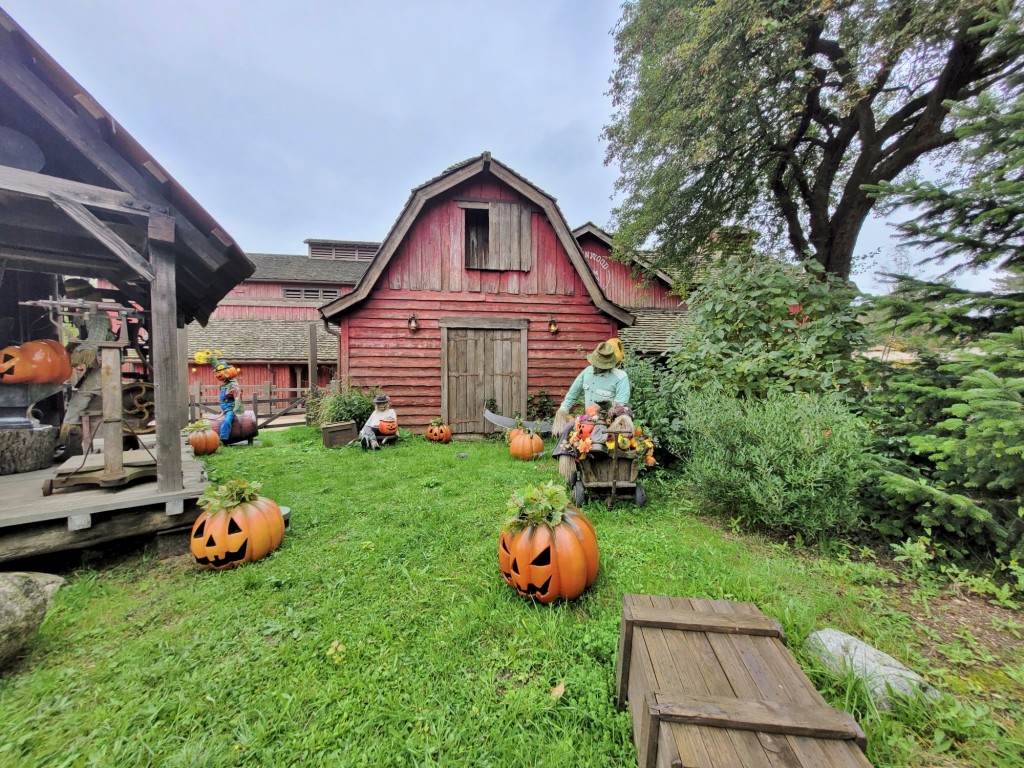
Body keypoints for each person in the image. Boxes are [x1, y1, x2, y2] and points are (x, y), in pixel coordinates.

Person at [552, 339, 631, 475]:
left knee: (609, 438)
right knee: (567, 430)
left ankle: (605, 465)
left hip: (609, 420)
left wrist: (608, 408)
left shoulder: (620, 377)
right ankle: (568, 466)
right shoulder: (586, 372)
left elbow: (621, 404)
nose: (595, 366)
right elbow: (573, 393)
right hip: (587, 419)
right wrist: (564, 409)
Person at [214, 361, 244, 442]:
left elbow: (238, 396)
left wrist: (237, 408)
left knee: (228, 420)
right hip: (224, 407)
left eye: (219, 372)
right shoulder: (224, 385)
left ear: (227, 373)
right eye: (216, 373)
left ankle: (223, 439)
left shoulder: (233, 384)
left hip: (231, 407)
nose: (217, 375)